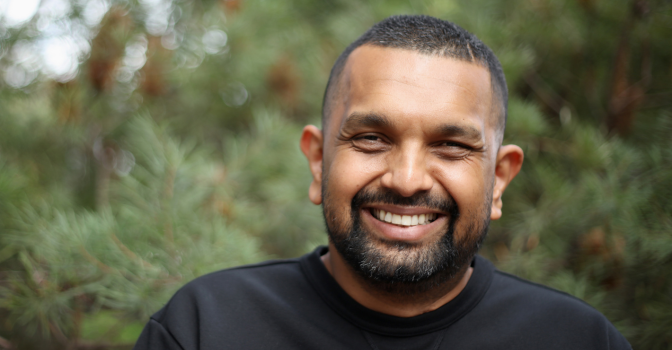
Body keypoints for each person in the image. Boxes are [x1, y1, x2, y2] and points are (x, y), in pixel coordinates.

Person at [134, 15, 631, 349]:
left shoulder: (577, 339)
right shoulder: (205, 329)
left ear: (499, 178)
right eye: (371, 138)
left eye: (452, 146)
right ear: (317, 161)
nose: (407, 180)